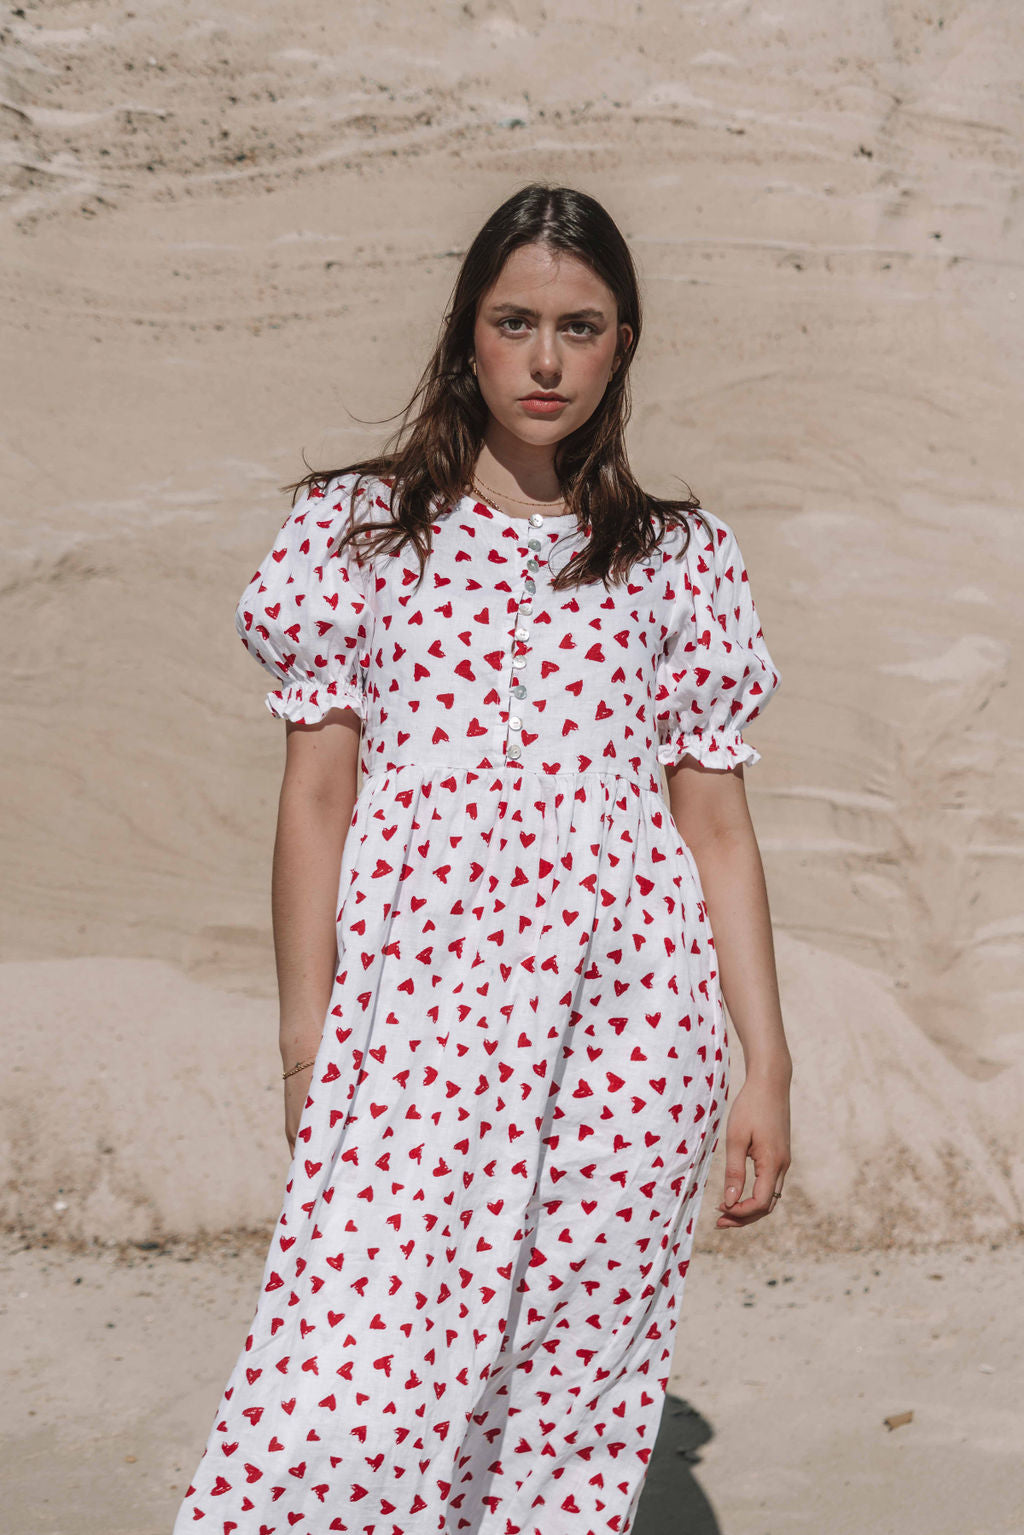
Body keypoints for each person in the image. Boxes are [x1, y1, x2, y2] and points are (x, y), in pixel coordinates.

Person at [172, 182, 792, 1535]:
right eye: (516, 322)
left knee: (565, 1402)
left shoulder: (678, 560)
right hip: (416, 1022)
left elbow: (719, 827)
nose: (548, 358)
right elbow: (316, 803)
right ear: (467, 335)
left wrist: (767, 1061)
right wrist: (303, 1038)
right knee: (339, 1391)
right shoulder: (359, 534)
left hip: (630, 1030)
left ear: (624, 341)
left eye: (582, 325)